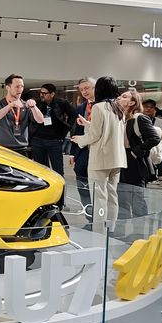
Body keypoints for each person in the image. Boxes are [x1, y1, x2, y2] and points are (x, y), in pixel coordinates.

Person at [71, 76, 126, 233]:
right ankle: (110, 228)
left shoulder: (98, 107)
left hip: (100, 159)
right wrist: (88, 124)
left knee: (99, 197)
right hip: (117, 158)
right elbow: (109, 130)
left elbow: (94, 136)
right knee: (112, 195)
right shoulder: (118, 107)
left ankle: (99, 231)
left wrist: (79, 140)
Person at [118, 89, 160, 220]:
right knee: (122, 198)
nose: (119, 98)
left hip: (135, 161)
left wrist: (135, 152)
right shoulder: (121, 118)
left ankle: (141, 228)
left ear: (132, 102)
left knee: (136, 198)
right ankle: (122, 228)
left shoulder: (139, 118)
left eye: (124, 96)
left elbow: (154, 138)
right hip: (121, 159)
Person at [0, 74, 44, 155]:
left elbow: (40, 120)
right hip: (2, 149)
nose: (20, 89)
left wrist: (34, 107)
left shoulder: (25, 105)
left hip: (22, 149)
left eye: (22, 86)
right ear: (8, 88)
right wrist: (10, 106)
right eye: (17, 86)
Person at [31, 83, 75, 175]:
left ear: (52, 94)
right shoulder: (37, 103)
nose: (42, 95)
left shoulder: (61, 103)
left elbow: (73, 114)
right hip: (38, 139)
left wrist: (66, 127)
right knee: (40, 170)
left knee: (58, 170)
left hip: (54, 140)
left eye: (45, 93)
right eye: (41, 93)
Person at [70, 77, 96, 221]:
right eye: (81, 90)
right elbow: (76, 131)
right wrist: (72, 154)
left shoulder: (104, 106)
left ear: (94, 88)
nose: (84, 92)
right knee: (82, 182)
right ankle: (89, 217)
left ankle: (99, 217)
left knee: (97, 186)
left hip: (98, 150)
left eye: (87, 88)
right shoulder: (81, 108)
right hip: (82, 149)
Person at [142, 99, 162, 183]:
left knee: (158, 162)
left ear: (155, 109)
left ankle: (159, 174)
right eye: (146, 107)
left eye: (151, 107)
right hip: (142, 148)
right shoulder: (136, 119)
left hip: (156, 148)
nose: (148, 109)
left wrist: (159, 132)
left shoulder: (161, 122)